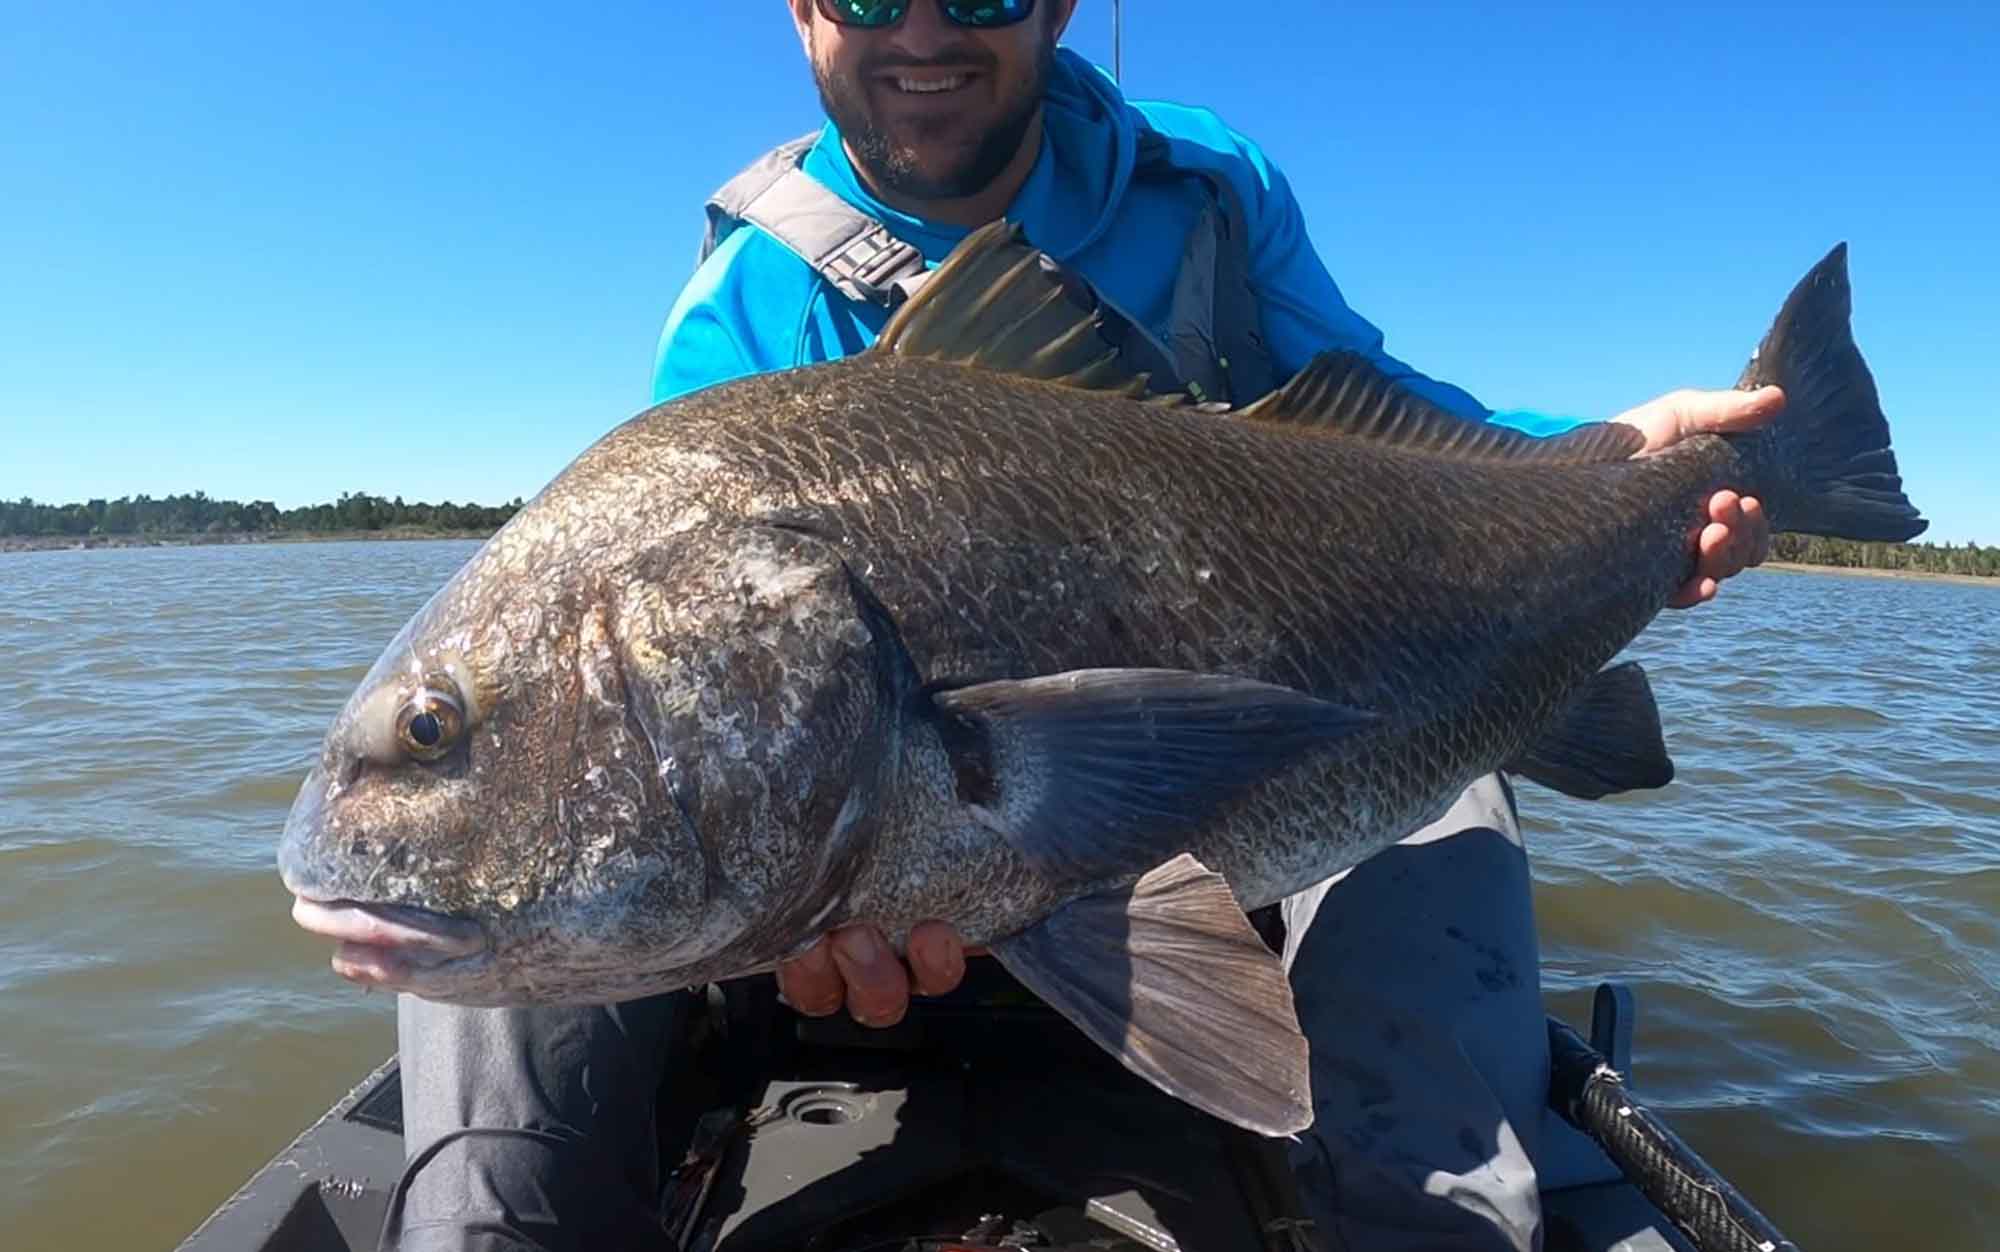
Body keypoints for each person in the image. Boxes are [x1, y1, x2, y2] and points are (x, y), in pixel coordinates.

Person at [388, 2, 1773, 1249]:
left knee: (1448, 806)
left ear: (1055, 5)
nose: (923, 30)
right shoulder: (739, 312)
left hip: (1291, 736)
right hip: (877, 839)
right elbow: (705, 713)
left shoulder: (1207, 185)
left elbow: (1392, 414)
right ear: (803, 11)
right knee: (507, 898)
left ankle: (1437, 1224)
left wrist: (1616, 460)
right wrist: (799, 898)